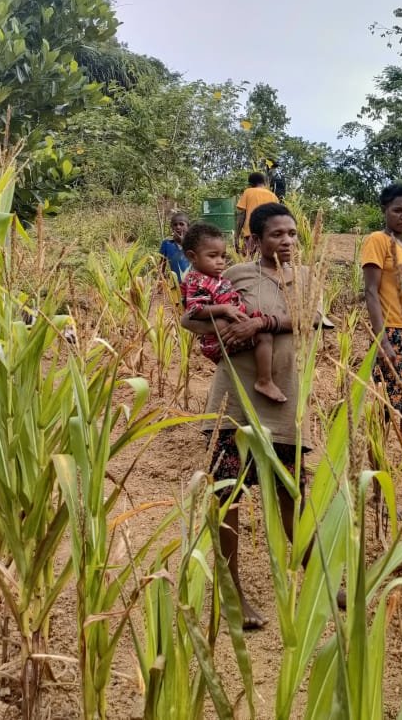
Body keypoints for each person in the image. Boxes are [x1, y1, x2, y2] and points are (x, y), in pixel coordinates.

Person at [181, 202, 319, 630]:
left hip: (284, 403)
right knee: (228, 498)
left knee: (291, 494)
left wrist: (261, 324)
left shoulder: (308, 278)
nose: (287, 242)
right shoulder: (235, 274)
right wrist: (229, 328)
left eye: (292, 234)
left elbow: (311, 320)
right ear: (254, 241)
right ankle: (233, 594)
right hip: (235, 405)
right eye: (277, 235)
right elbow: (194, 319)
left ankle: (319, 579)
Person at [180, 221, 287, 404]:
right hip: (220, 337)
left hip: (229, 329)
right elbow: (195, 310)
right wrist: (225, 309)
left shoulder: (216, 278)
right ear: (192, 257)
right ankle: (264, 381)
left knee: (262, 330)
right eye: (213, 256)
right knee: (265, 336)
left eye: (223, 256)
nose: (220, 262)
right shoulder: (196, 282)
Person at [361, 183, 402, 433]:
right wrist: (382, 341)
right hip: (393, 333)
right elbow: (370, 292)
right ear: (385, 210)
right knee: (389, 404)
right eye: (398, 210)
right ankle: (376, 462)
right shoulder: (377, 241)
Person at [235, 172, 281, 255]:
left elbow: (242, 215)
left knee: (249, 262)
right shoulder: (273, 196)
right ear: (264, 182)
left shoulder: (248, 192)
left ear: (251, 183)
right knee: (266, 263)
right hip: (268, 235)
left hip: (251, 234)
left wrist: (236, 236)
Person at [158, 212, 191, 284]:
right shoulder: (167, 243)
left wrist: (183, 243)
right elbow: (162, 264)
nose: (178, 227)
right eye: (175, 225)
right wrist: (161, 280)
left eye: (181, 224)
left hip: (192, 285)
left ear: (188, 227)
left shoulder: (193, 242)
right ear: (172, 227)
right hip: (175, 284)